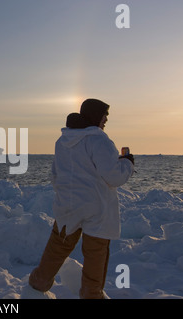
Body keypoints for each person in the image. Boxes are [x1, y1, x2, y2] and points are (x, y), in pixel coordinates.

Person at [28, 98, 134, 299]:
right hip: (96, 207)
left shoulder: (62, 141)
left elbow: (55, 173)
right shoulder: (99, 140)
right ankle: (91, 294)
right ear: (95, 115)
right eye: (105, 114)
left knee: (58, 246)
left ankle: (37, 284)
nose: (106, 119)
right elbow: (114, 176)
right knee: (96, 252)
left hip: (68, 205)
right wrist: (128, 163)